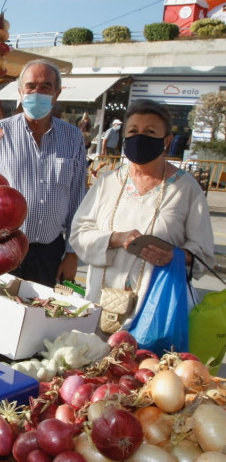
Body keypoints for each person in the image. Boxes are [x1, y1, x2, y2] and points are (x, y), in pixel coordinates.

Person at [70, 99, 215, 331]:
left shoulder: (186, 188)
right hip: (102, 305)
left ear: (166, 141)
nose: (140, 137)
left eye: (150, 132)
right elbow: (79, 233)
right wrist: (116, 238)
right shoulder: (108, 182)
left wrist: (174, 256)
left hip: (157, 311)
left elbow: (204, 254)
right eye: (134, 131)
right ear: (125, 137)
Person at [0, 59, 87, 287]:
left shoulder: (73, 137)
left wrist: (72, 254)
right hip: (3, 247)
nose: (37, 92)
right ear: (20, 91)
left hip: (50, 253)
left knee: (41, 315)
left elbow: (78, 199)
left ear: (56, 94)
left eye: (46, 86)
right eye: (31, 86)